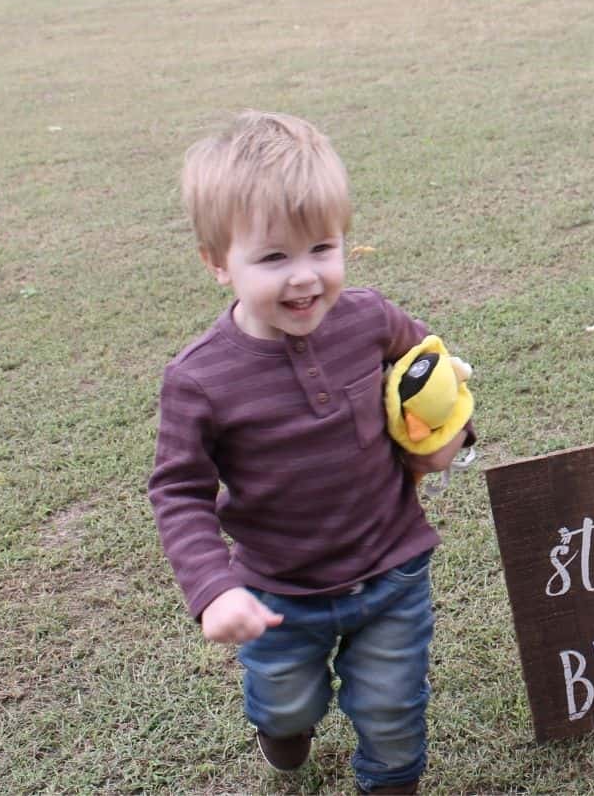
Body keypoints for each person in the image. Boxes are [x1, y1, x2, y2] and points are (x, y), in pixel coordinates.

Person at [148, 110, 470, 793]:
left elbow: (425, 365)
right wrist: (213, 590)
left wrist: (447, 436)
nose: (305, 278)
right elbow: (178, 492)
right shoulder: (199, 379)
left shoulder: (368, 317)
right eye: (273, 258)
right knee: (289, 705)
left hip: (392, 569)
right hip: (276, 591)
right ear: (217, 263)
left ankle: (391, 782)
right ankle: (283, 728)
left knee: (392, 711)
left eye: (322, 248)